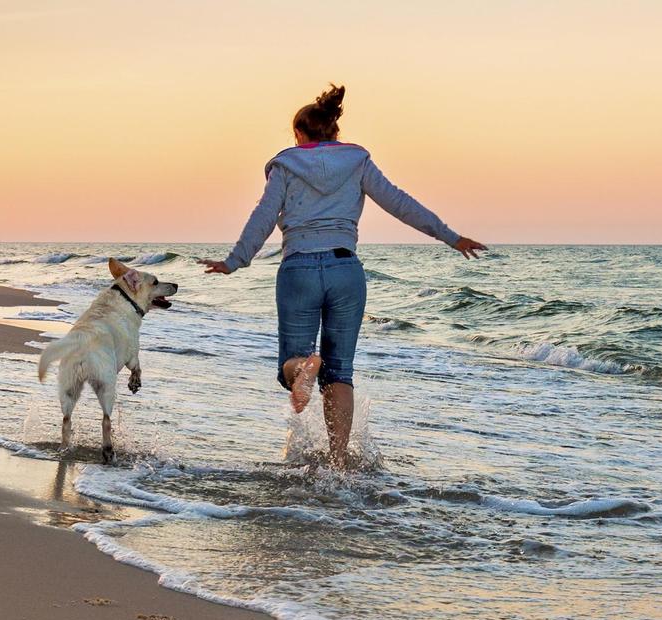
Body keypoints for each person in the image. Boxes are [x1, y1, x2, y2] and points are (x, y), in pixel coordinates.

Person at [199, 83, 486, 468]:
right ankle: (338, 462)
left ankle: (301, 368)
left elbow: (263, 218)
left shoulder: (286, 165)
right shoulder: (357, 161)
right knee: (340, 371)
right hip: (345, 270)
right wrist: (451, 237)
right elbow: (400, 203)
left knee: (293, 361)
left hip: (299, 267)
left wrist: (234, 261)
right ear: (335, 131)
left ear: (299, 134)